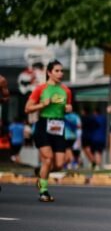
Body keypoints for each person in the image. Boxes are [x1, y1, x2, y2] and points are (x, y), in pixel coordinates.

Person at [24, 60, 72, 202]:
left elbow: (67, 107)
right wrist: (42, 104)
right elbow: (27, 108)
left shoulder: (66, 91)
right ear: (49, 72)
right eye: (57, 71)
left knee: (59, 164)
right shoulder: (41, 89)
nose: (60, 73)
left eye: (61, 71)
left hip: (59, 126)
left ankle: (40, 173)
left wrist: (68, 109)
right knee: (48, 158)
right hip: (44, 125)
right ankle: (43, 191)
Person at [64, 105, 82, 169]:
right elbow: (79, 126)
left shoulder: (63, 116)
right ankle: (66, 164)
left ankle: (73, 162)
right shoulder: (76, 116)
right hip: (73, 136)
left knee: (67, 149)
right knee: (68, 150)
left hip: (66, 136)